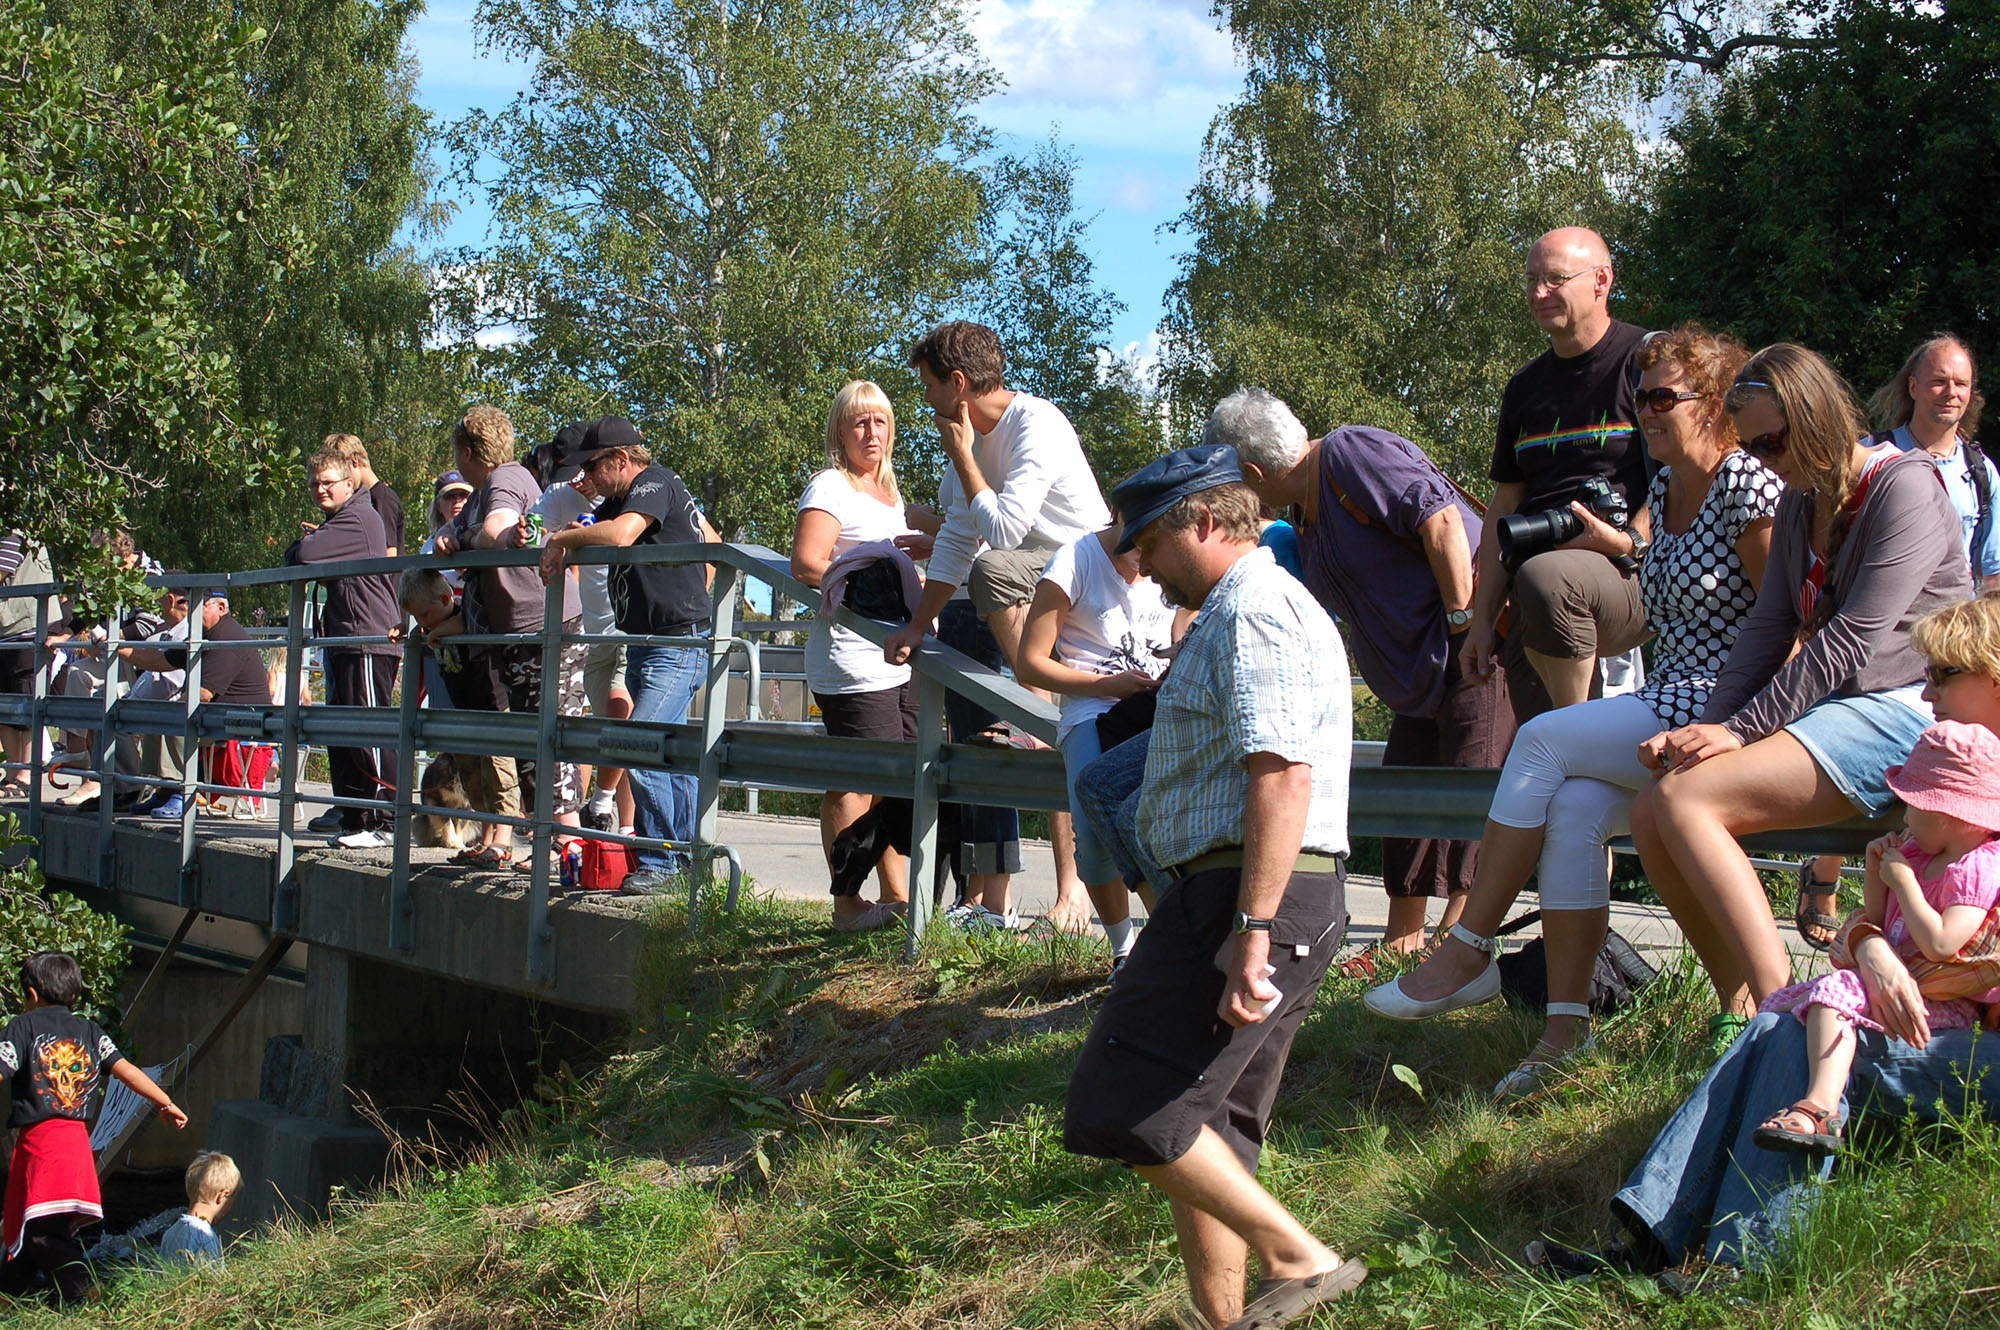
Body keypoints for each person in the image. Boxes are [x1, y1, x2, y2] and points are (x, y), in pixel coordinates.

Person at [1363, 325, 1782, 1096]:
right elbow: (1661, 595)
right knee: (1577, 809)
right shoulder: (1665, 488)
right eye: (1640, 398)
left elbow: (1786, 625)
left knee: (1545, 743)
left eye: (1661, 397)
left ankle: (1468, 944)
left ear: (1717, 405)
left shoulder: (1747, 486)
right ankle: (1567, 1031)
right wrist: (1618, 544)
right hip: (1671, 694)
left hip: (1727, 708)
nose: (1645, 413)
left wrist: (1742, 726)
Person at [1598, 593, 2000, 1270]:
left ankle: (1717, 1261)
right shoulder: (1950, 792)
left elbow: (1965, 948)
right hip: (1948, 1023)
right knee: (1785, 1026)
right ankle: (1666, 1247)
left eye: (1942, 676)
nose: (1926, 695)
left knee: (1786, 1031)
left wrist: (1896, 948)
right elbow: (1878, 922)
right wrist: (1872, 949)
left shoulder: (1970, 811)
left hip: (1977, 1043)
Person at [1063, 446, 1364, 1330]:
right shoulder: (1233, 610)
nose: (1142, 568)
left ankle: (1297, 1256)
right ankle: (1223, 1323)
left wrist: (1253, 929)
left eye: (1148, 544)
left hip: (1248, 894)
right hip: (1243, 892)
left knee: (1121, 1107)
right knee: (1210, 1130)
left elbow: (1281, 775)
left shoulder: (1255, 611)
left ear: (1202, 522)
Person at [1631, 342, 1972, 1053]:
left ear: (1814, 414)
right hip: (1844, 710)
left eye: (1773, 440)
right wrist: (1713, 725)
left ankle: (1780, 1014)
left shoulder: (1903, 487)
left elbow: (1853, 638)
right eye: (1752, 446)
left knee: (1686, 800)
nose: (1764, 457)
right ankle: (1741, 1000)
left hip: (1914, 710)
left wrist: (1740, 731)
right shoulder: (1798, 503)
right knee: (1650, 807)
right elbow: (1768, 626)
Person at [1223, 388, 1512, 962]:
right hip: (1417, 675)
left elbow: (1444, 522)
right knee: (1408, 801)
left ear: (1255, 472)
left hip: (1477, 648)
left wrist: (1462, 626)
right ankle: (1402, 944)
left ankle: (1459, 953)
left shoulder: (1351, 454)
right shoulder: (1303, 516)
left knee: (1470, 790)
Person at [882, 321, 1112, 932]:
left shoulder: (1036, 423)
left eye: (929, 387)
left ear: (957, 384)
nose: (925, 401)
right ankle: (1072, 897)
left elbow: (1004, 532)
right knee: (1064, 740)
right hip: (1037, 590)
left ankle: (1032, 701)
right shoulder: (975, 441)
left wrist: (962, 456)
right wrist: (916, 624)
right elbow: (958, 537)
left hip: (1092, 583)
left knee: (994, 568)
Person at [1751, 721, 2000, 1154]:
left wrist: (1903, 881)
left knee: (1834, 995)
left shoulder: (1976, 868)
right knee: (1781, 1015)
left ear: (1948, 814)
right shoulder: (1924, 854)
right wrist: (1876, 870)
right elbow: (1881, 920)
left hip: (1944, 1005)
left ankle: (1821, 1105)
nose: (1904, 817)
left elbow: (1943, 944)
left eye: (1913, 806)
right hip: (1908, 990)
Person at [1462, 226, 1653, 721]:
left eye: (1554, 279)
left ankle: (1581, 734)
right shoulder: (1525, 387)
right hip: (1535, 589)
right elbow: (1505, 506)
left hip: (1632, 574)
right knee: (1540, 747)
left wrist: (1629, 539)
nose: (1538, 293)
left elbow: (1688, 473)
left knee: (1575, 742)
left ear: (1601, 280)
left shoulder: (1648, 364)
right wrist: (1480, 621)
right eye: (1530, 280)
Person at [540, 417, 717, 893]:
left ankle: (663, 866)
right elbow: (705, 538)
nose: (586, 478)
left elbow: (622, 536)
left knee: (636, 747)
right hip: (647, 642)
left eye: (593, 467)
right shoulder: (619, 501)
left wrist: (562, 540)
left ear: (620, 460)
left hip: (675, 643)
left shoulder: (654, 480)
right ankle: (688, 866)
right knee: (669, 757)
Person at [790, 382, 931, 931]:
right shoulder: (831, 485)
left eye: (880, 422)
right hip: (851, 660)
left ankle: (898, 898)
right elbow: (806, 563)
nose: (871, 433)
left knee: (900, 779)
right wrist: (866, 591)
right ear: (839, 433)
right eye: (859, 423)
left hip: (900, 658)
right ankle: (847, 902)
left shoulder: (891, 496)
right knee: (857, 779)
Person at [1013, 520, 1177, 970]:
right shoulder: (1075, 560)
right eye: (1138, 550)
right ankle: (1124, 949)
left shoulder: (1170, 552)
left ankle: (1177, 941)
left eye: (1152, 550)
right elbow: (1029, 664)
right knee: (1091, 826)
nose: (1146, 563)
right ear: (1119, 521)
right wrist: (1108, 684)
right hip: (1092, 708)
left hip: (1158, 704)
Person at [435, 405, 585, 861]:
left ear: (465, 450)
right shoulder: (484, 490)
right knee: (530, 738)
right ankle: (547, 841)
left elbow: (501, 530)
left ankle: (567, 841)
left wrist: (490, 539)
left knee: (549, 735)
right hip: (519, 631)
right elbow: (458, 530)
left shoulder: (504, 481)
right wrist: (450, 536)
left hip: (544, 626)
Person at [1, 951, 186, 1303]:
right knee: (33, 1232)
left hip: (42, 1152)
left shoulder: (22, 1027)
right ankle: (6, 1296)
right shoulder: (90, 1031)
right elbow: (127, 1070)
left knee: (42, 1235)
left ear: (32, 995)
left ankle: (90, 1295)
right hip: (76, 1150)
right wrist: (166, 1101)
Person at [288, 446, 401, 848]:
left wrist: (310, 541)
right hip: (347, 639)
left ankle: (385, 820)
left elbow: (304, 555)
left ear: (349, 483)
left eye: (327, 483)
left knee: (370, 729)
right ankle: (356, 818)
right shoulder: (339, 521)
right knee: (345, 732)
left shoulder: (357, 517)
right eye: (314, 484)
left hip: (367, 639)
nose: (320, 490)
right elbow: (306, 554)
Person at [117, 589, 274, 821]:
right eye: (191, 606)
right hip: (221, 716)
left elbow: (204, 693)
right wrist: (119, 649)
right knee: (163, 712)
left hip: (241, 723)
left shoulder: (227, 637)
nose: (193, 613)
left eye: (201, 606)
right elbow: (160, 660)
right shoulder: (204, 634)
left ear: (221, 608)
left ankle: (184, 792)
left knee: (177, 715)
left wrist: (173, 706)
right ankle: (165, 789)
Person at [400, 567, 520, 867]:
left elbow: (475, 622)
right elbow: (424, 627)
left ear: (445, 598)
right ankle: (486, 840)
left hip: (493, 707)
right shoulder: (431, 626)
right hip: (465, 714)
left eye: (425, 615)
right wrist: (412, 630)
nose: (423, 624)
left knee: (500, 774)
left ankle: (501, 842)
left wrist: (443, 629)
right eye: (417, 618)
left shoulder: (468, 612)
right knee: (472, 778)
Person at [1872, 334, 1994, 591]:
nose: (1951, 393)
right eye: (1939, 382)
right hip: (1884, 624)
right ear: (1913, 387)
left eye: (1961, 384)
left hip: (1956, 626)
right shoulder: (1873, 455)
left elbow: (1993, 571)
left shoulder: (1981, 472)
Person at [326, 434, 405, 557]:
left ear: (354, 462)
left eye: (341, 472)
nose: (340, 479)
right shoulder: (357, 500)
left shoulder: (383, 499)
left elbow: (389, 555)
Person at [157, 1150, 238, 1267]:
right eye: (232, 1201)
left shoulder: (171, 1232)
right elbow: (210, 1282)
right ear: (222, 1196)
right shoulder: (205, 1237)